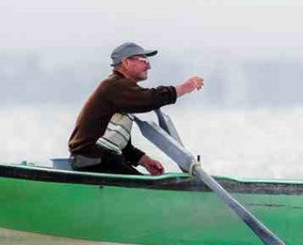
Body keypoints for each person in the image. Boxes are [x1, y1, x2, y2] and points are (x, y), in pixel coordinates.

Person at [67, 42, 205, 175]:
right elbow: (149, 99)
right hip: (94, 158)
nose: (149, 66)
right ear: (126, 62)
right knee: (148, 189)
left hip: (102, 157)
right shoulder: (114, 86)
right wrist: (184, 87)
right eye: (144, 60)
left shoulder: (122, 92)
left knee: (138, 178)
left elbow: (120, 144)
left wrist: (144, 161)